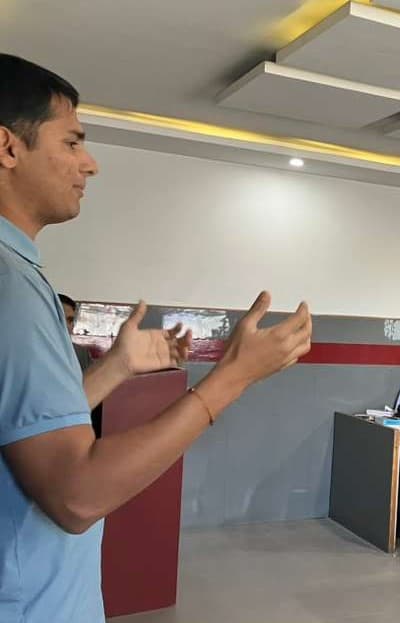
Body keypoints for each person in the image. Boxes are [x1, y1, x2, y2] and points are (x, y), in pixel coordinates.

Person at [0, 52, 313, 623]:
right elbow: (77, 496)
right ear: (8, 147)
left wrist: (114, 368)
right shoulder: (11, 285)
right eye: (72, 142)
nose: (90, 164)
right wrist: (233, 377)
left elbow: (24, 429)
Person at [58, 293, 93, 372]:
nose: (66, 325)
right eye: (59, 318)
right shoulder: (32, 351)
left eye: (70, 320)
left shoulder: (81, 353)